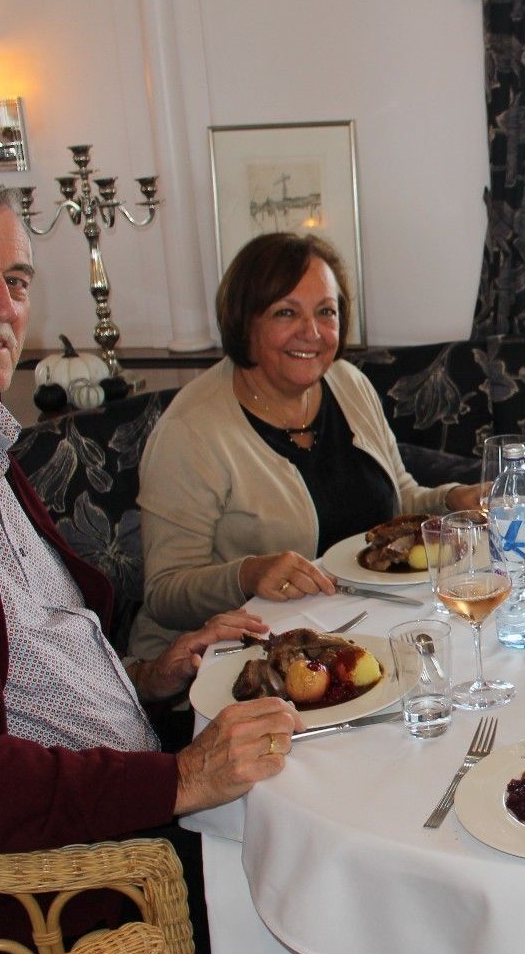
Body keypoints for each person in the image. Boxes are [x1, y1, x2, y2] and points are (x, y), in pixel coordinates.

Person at [0, 173, 303, 954]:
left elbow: (16, 654)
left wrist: (147, 674)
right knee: (329, 887)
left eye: (15, 280)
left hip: (130, 776)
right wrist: (180, 780)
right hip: (54, 880)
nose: (2, 305)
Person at [134, 233, 483, 660]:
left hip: (358, 632)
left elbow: (399, 498)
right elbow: (164, 593)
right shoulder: (190, 431)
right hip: (232, 657)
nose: (312, 333)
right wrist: (247, 574)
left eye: (326, 312)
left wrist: (451, 500)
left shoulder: (347, 383)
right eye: (286, 312)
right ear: (244, 322)